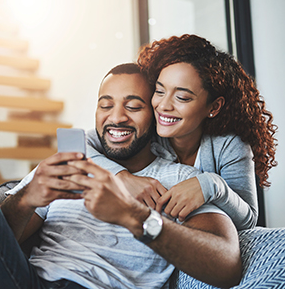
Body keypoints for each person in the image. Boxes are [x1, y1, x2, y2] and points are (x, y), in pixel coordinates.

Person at [0, 63, 241, 289]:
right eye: (105, 105)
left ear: (157, 114)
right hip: (24, 281)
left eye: (133, 106)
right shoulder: (69, 162)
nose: (116, 117)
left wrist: (133, 216)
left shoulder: (177, 178)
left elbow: (226, 265)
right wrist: (28, 198)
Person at [88, 34, 277, 230]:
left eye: (182, 97)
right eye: (159, 91)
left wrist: (212, 186)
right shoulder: (151, 126)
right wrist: (122, 178)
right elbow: (86, 144)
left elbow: (248, 221)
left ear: (214, 107)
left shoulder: (228, 145)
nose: (163, 105)